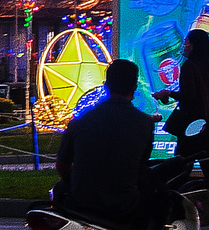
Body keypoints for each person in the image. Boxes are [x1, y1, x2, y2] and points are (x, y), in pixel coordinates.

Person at [57, 59, 156, 227]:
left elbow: (62, 164)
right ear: (134, 86)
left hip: (80, 204)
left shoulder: (81, 121)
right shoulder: (144, 123)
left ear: (106, 85)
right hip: (124, 208)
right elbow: (141, 166)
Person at [154, 29, 209, 230]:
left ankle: (168, 218)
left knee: (176, 173)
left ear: (194, 45)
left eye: (188, 43)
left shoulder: (189, 67)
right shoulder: (207, 67)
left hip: (192, 130)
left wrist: (168, 93)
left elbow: (190, 99)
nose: (185, 46)